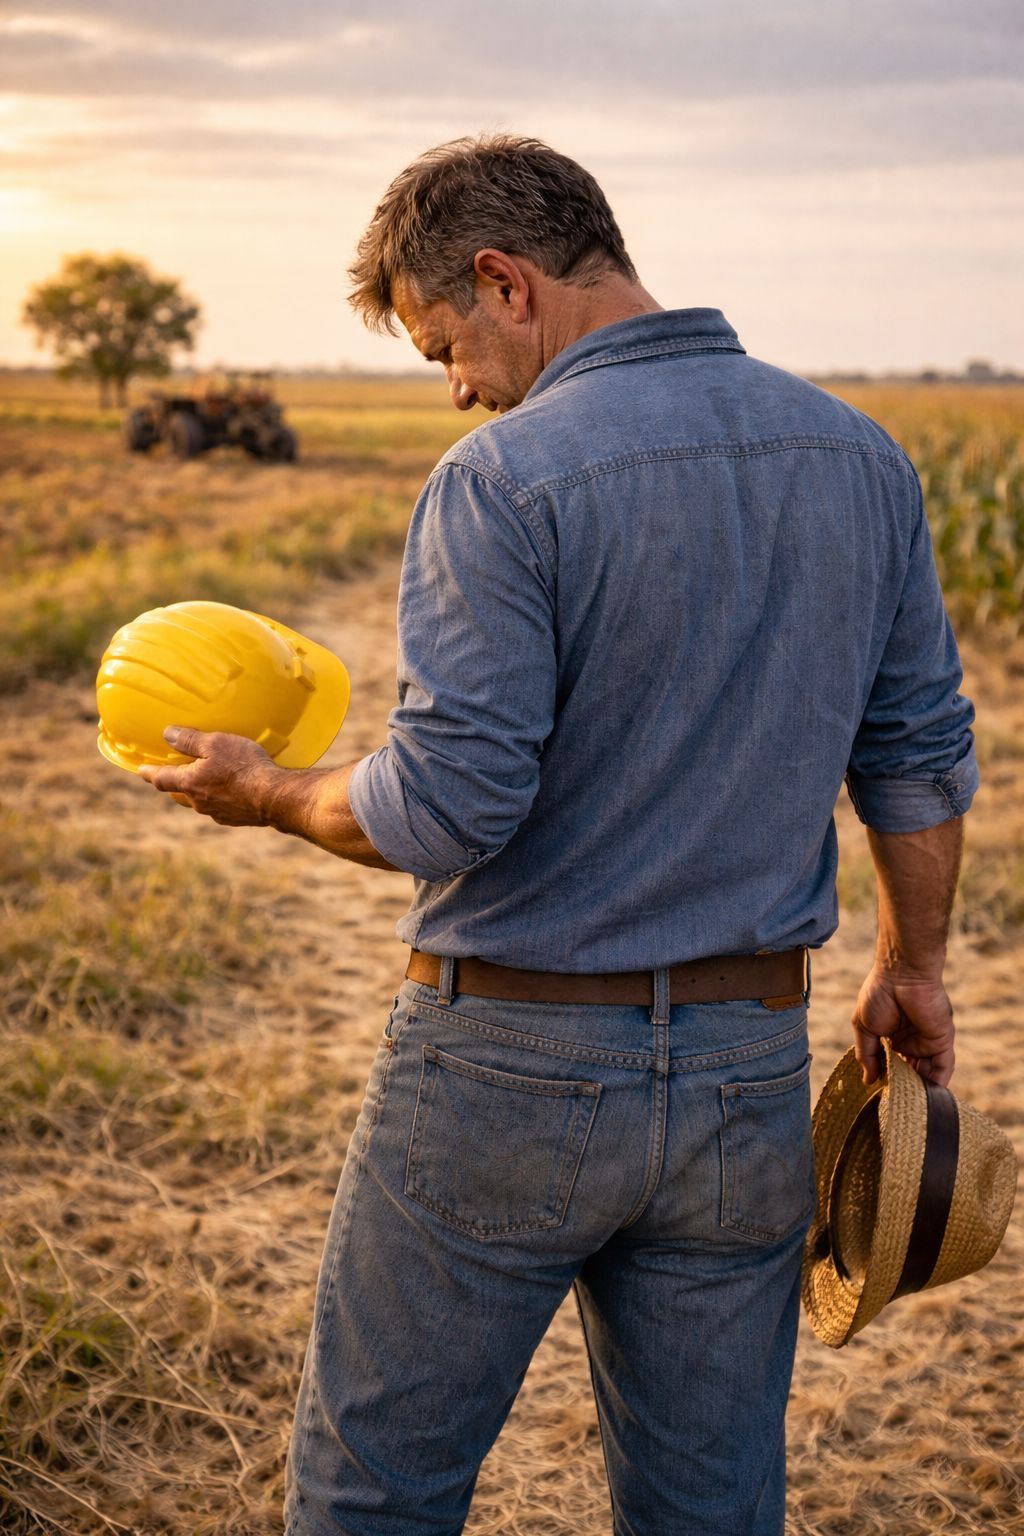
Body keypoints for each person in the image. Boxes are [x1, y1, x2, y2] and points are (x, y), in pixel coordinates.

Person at [140, 135, 979, 1536]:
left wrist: (276, 793)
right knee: (710, 1506)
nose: (455, 387)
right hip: (746, 1074)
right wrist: (915, 966)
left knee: (374, 1494)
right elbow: (918, 756)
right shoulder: (862, 458)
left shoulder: (503, 483)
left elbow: (451, 802)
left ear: (502, 280)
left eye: (440, 347)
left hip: (504, 1073)